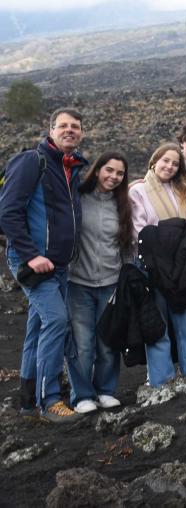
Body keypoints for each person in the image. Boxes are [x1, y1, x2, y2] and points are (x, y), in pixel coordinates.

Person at [0, 108, 88, 422]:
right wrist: (30, 254)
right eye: (62, 126)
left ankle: (27, 401)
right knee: (56, 320)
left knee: (38, 329)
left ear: (81, 133)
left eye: (75, 127)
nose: (69, 130)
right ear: (50, 130)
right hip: (34, 262)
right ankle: (49, 401)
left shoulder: (72, 168)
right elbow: (7, 212)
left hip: (59, 264)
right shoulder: (30, 162)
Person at [129, 143, 186, 387]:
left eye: (175, 164)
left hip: (185, 268)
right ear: (154, 161)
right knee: (158, 328)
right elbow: (140, 232)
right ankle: (161, 381)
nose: (170, 166)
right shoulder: (138, 192)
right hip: (153, 269)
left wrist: (183, 239)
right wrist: (176, 237)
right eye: (165, 161)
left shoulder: (184, 192)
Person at [66, 152, 132, 413]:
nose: (113, 177)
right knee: (83, 343)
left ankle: (106, 390)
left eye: (119, 173)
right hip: (78, 283)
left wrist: (125, 279)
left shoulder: (124, 204)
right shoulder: (78, 198)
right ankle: (82, 395)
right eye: (109, 170)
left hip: (110, 282)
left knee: (108, 341)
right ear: (97, 169)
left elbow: (127, 247)